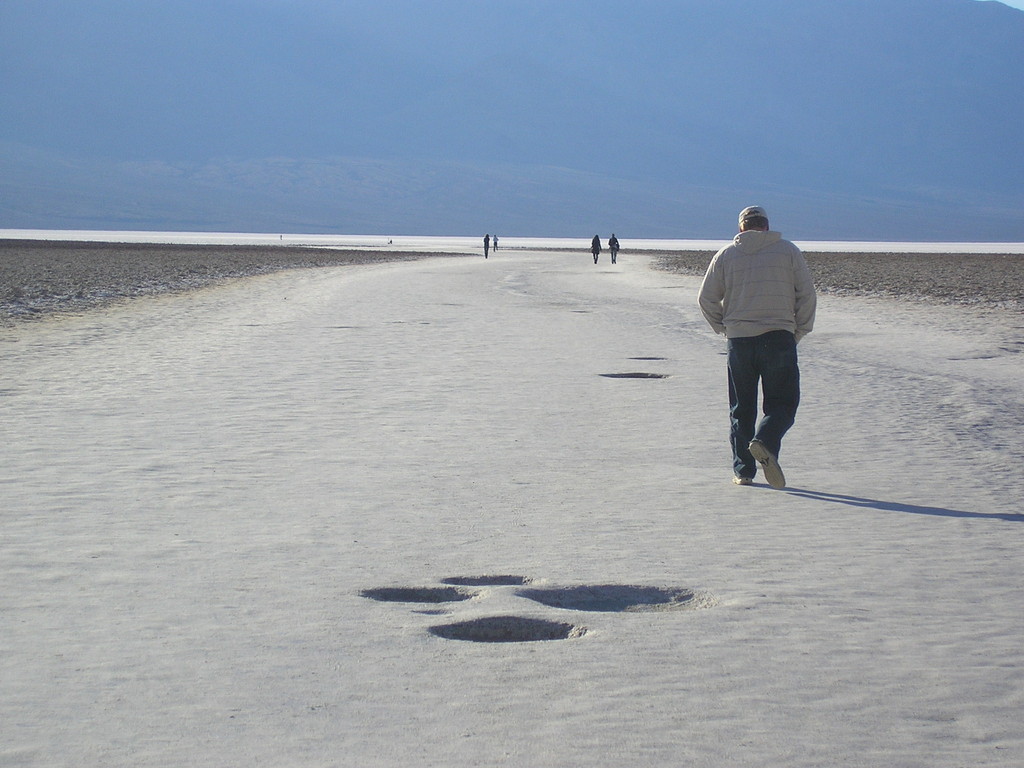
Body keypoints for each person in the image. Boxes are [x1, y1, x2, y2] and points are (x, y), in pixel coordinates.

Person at [697, 206, 816, 489]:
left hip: (740, 341)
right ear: (766, 225)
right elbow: (807, 295)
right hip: (779, 337)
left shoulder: (726, 254)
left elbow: (706, 298)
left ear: (741, 228)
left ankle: (744, 471)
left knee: (741, 408)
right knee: (782, 404)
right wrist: (799, 330)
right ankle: (765, 441)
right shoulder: (788, 251)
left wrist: (725, 328)